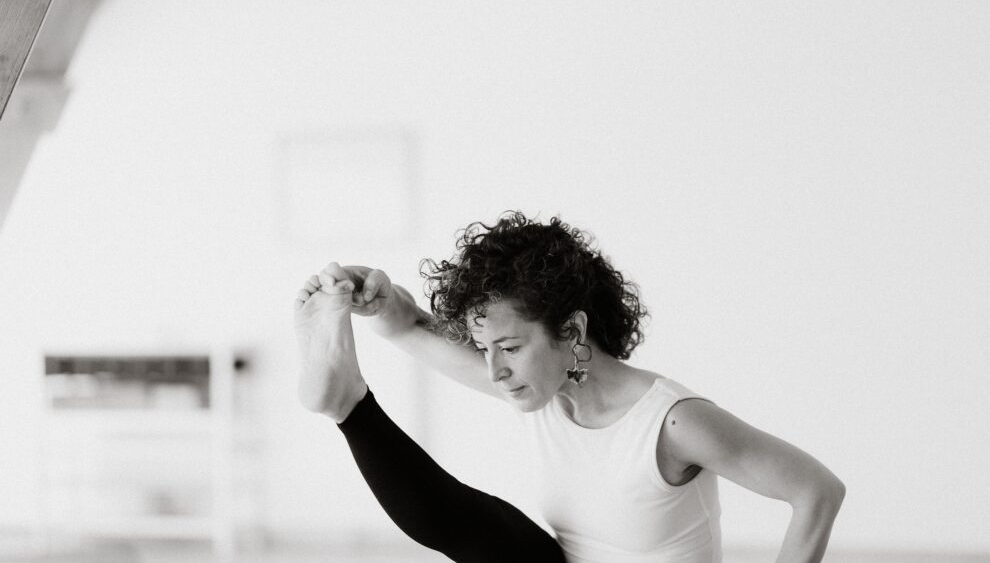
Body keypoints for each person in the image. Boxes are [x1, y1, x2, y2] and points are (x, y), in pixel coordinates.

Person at [294, 212, 845, 563]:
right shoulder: (544, 392)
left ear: (572, 331)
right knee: (493, 537)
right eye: (483, 349)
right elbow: (412, 327)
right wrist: (373, 298)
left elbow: (817, 490)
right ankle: (350, 408)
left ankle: (352, 409)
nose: (493, 370)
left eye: (510, 348)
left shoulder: (673, 423)